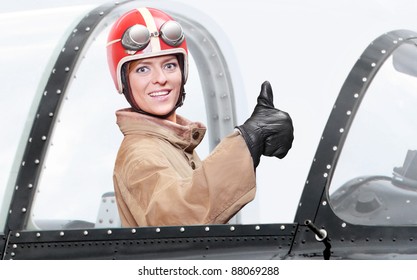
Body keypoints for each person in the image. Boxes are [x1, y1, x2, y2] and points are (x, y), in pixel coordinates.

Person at [106, 7, 294, 227]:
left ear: (182, 72)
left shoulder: (173, 145)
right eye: (142, 70)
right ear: (123, 80)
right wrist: (248, 140)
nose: (160, 79)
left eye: (169, 65)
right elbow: (179, 219)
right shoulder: (140, 154)